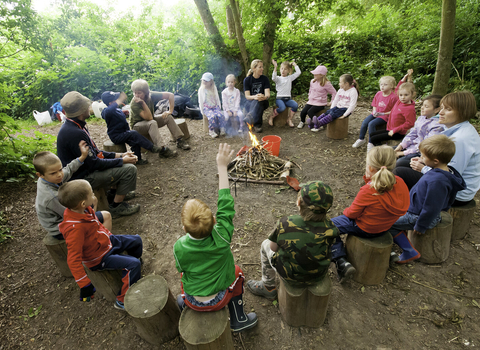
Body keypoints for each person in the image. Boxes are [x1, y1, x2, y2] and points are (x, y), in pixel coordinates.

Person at [174, 143, 258, 332]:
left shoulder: (179, 246)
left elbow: (181, 269)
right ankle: (239, 319)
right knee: (237, 273)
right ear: (214, 220)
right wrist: (222, 167)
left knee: (183, 273)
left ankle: (183, 303)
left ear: (184, 228)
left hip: (192, 300)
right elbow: (226, 205)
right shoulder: (222, 235)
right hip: (219, 299)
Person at [246, 181, 339, 300]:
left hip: (289, 275)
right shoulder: (331, 228)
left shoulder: (286, 223)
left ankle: (268, 286)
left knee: (265, 245)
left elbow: (273, 248)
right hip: (317, 276)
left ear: (299, 202)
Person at [58, 179, 143, 310]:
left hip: (106, 242)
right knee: (134, 264)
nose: (94, 196)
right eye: (92, 194)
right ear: (82, 203)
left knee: (136, 240)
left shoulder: (84, 210)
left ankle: (131, 266)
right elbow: (73, 259)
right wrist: (84, 284)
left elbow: (93, 224)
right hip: (99, 257)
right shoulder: (74, 229)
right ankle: (123, 300)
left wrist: (93, 207)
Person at [330, 146, 409, 282]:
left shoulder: (369, 190)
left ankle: (340, 261)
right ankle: (388, 253)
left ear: (371, 168)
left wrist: (345, 211)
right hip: (384, 227)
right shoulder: (400, 182)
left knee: (328, 226)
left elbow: (352, 214)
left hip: (365, 227)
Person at [57, 91, 140, 219]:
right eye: (87, 106)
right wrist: (122, 161)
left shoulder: (76, 125)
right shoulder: (74, 133)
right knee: (129, 170)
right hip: (81, 178)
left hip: (86, 170)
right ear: (81, 111)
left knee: (120, 165)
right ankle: (117, 207)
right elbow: (94, 163)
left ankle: (113, 194)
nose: (89, 108)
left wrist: (120, 155)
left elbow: (96, 153)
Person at [389, 135, 466, 263]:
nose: (421, 158)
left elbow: (431, 207)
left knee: (386, 223)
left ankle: (408, 251)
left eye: (424, 156)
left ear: (435, 161)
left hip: (417, 216)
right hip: (416, 210)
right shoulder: (443, 172)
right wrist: (424, 163)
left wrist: (421, 225)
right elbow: (449, 197)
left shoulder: (437, 181)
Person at [394, 91, 480, 205]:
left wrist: (423, 168)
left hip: (456, 194)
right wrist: (424, 160)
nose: (441, 112)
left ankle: (410, 209)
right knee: (401, 164)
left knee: (399, 172)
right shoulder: (456, 129)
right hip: (446, 180)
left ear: (462, 112)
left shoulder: (459, 140)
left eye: (448, 109)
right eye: (442, 107)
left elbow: (450, 178)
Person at [34, 145, 112, 240]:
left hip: (65, 218)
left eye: (60, 169)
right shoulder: (52, 197)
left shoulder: (50, 178)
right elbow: (73, 215)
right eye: (53, 173)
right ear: (40, 175)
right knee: (106, 215)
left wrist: (82, 157)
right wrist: (92, 205)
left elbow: (68, 169)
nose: (59, 174)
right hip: (61, 229)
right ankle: (100, 244)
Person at [129, 79, 190, 156]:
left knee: (168, 117)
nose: (136, 95)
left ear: (146, 92)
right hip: (137, 126)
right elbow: (149, 118)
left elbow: (170, 95)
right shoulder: (134, 104)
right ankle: (162, 150)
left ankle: (179, 140)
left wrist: (170, 111)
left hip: (150, 121)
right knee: (152, 122)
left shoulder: (150, 95)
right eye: (135, 93)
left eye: (139, 93)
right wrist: (143, 103)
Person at [101, 91, 162, 165]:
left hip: (125, 133)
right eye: (116, 100)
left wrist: (123, 113)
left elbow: (115, 114)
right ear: (110, 103)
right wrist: (120, 100)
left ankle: (137, 159)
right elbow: (108, 112)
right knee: (133, 133)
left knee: (135, 142)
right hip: (116, 136)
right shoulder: (106, 111)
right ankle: (152, 148)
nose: (118, 101)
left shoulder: (117, 110)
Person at [366, 70, 416, 151]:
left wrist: (395, 130)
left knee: (374, 138)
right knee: (372, 135)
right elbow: (397, 89)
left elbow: (410, 123)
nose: (403, 97)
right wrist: (404, 78)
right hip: (390, 128)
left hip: (397, 133)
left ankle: (380, 151)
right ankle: (380, 149)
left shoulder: (409, 108)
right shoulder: (400, 101)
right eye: (401, 95)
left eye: (406, 95)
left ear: (412, 95)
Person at [394, 94, 443, 167]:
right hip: (410, 147)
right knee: (387, 151)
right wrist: (401, 146)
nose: (422, 108)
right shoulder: (421, 118)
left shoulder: (437, 125)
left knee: (398, 162)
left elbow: (425, 146)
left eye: (426, 106)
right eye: (423, 105)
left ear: (436, 109)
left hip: (420, 153)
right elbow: (412, 133)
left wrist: (403, 153)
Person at [352, 76, 398, 148]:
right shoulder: (378, 93)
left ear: (392, 86)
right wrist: (374, 111)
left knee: (371, 124)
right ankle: (361, 139)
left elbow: (394, 111)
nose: (382, 86)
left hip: (385, 116)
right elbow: (374, 104)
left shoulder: (394, 97)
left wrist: (383, 113)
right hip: (376, 113)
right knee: (365, 122)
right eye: (381, 84)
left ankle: (371, 143)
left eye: (385, 84)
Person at [269, 59, 301, 127]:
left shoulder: (290, 78)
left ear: (288, 70)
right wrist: (275, 67)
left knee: (295, 105)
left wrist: (295, 65)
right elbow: (273, 78)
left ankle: (289, 119)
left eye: (285, 69)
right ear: (279, 69)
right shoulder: (278, 78)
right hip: (279, 99)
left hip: (288, 99)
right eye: (282, 69)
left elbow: (298, 73)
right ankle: (272, 116)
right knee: (282, 108)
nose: (283, 70)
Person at [243, 59, 271, 133]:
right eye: (260, 67)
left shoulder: (265, 79)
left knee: (260, 102)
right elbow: (247, 96)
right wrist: (255, 97)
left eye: (262, 67)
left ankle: (250, 117)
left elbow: (268, 94)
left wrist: (264, 97)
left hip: (263, 101)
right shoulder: (247, 80)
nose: (262, 69)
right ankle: (257, 125)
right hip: (250, 103)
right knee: (257, 101)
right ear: (254, 68)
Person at [199, 72, 226, 138]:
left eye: (206, 80)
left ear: (211, 81)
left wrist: (219, 107)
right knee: (212, 117)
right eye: (203, 80)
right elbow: (200, 101)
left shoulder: (214, 88)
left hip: (215, 106)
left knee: (220, 115)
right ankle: (211, 130)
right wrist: (202, 111)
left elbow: (217, 98)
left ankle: (222, 128)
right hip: (207, 108)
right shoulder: (201, 90)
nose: (204, 82)